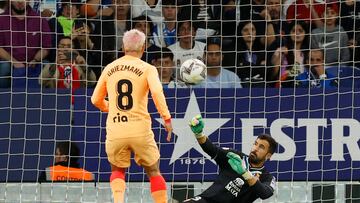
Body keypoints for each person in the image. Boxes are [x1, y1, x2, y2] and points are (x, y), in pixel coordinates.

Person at [91, 29, 173, 203]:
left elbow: (95, 99)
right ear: (143, 48)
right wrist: (166, 118)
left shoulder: (110, 68)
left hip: (116, 128)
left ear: (123, 47)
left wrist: (109, 108)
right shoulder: (148, 68)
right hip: (140, 129)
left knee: (117, 171)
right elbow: (157, 92)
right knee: (153, 171)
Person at [184, 115, 277, 203]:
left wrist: (246, 174)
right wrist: (199, 134)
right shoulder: (236, 157)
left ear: (268, 155)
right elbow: (212, 149)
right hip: (207, 200)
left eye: (261, 147)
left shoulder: (267, 177)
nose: (255, 148)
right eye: (255, 144)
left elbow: (265, 193)